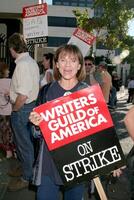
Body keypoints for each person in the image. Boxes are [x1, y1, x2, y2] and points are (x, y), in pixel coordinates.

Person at [29, 44, 88, 200]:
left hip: (77, 165)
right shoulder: (46, 92)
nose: (67, 65)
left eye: (73, 60)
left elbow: (100, 132)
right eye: (63, 60)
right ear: (56, 64)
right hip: (49, 164)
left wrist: (114, 163)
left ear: (79, 65)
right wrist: (35, 125)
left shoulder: (87, 93)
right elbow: (35, 135)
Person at [7, 33, 40, 191]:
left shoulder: (23, 64)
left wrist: (14, 108)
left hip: (22, 109)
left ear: (13, 48)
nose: (10, 52)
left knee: (24, 145)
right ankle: (24, 169)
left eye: (10, 49)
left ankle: (26, 177)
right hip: (27, 107)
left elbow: (23, 94)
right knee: (23, 144)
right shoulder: (29, 62)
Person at [0, 61, 15, 158]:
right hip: (10, 110)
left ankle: (7, 150)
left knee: (3, 131)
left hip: (1, 111)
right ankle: (11, 150)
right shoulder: (11, 82)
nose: (9, 70)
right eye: (7, 69)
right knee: (10, 131)